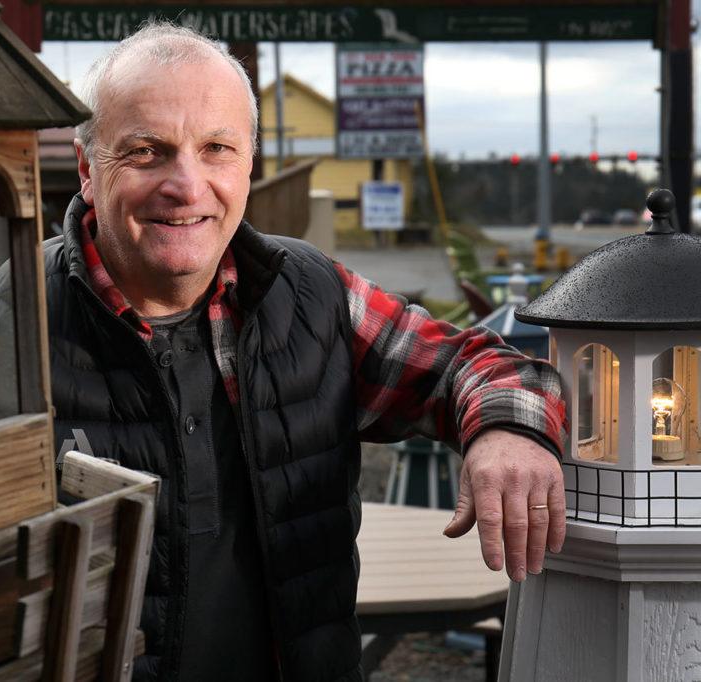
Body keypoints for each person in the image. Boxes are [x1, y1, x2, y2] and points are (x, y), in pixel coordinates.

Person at [43, 23, 567, 682]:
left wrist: (507, 430)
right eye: (147, 152)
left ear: (250, 163)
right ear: (89, 170)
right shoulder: (4, 327)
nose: (187, 184)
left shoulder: (310, 295)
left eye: (216, 149)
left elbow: (476, 364)